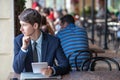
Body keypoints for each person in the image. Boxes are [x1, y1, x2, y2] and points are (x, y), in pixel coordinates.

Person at [13, 8, 70, 76]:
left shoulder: (53, 41)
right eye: (20, 25)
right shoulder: (18, 41)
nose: (21, 29)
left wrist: (52, 70)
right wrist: (24, 49)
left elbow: (65, 65)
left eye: (24, 25)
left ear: (35, 26)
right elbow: (17, 69)